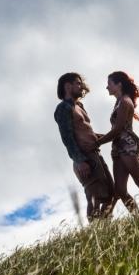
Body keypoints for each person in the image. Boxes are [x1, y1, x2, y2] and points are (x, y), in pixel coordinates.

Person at [54, 73, 116, 221]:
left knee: (111, 194)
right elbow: (67, 138)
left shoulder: (79, 106)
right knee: (95, 197)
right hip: (84, 157)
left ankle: (105, 228)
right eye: (78, 83)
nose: (81, 86)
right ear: (68, 86)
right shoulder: (63, 107)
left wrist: (114, 134)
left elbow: (87, 132)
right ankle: (94, 233)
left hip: (95, 154)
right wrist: (80, 160)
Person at [96, 71, 139, 213]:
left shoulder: (125, 101)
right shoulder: (119, 102)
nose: (107, 87)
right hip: (118, 147)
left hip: (127, 145)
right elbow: (117, 131)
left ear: (118, 84)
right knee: (120, 189)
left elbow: (118, 130)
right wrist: (96, 136)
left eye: (109, 84)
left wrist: (97, 143)